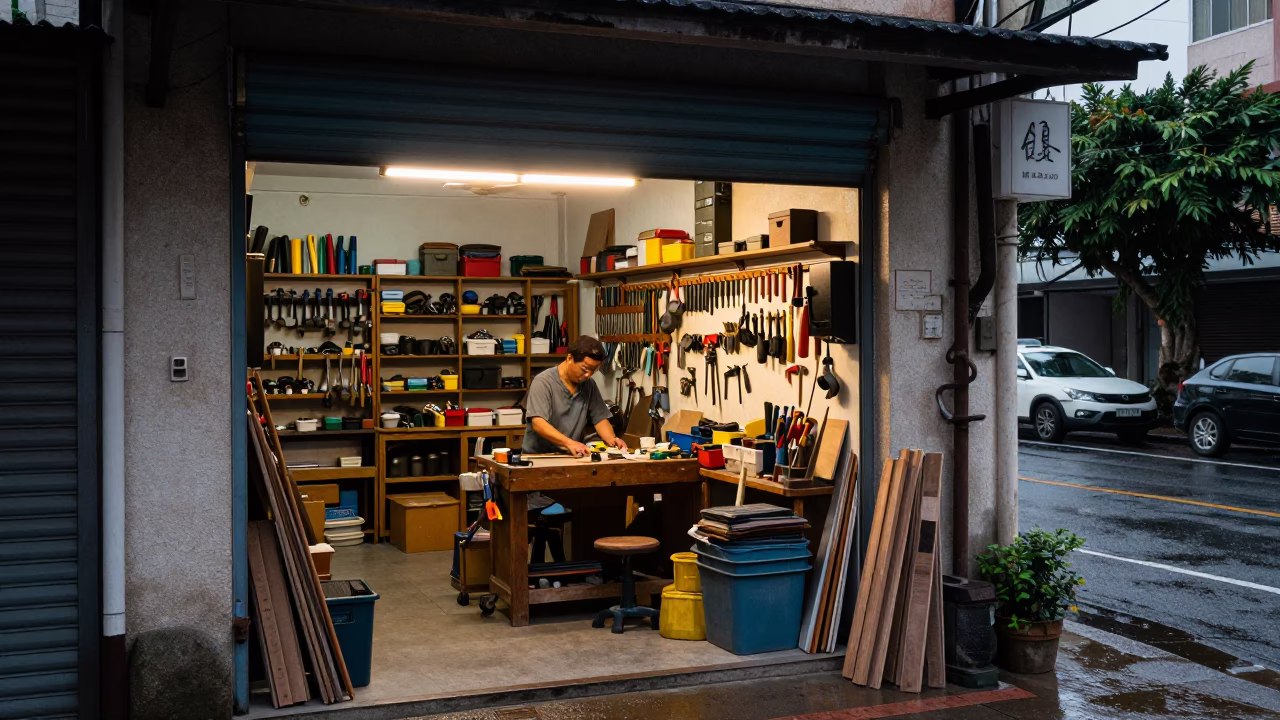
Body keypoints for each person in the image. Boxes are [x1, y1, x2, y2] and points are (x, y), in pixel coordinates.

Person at [523, 335, 627, 457]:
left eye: (593, 370)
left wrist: (612, 439)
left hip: (569, 455)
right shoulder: (543, 382)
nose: (588, 375)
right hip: (538, 457)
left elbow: (599, 418)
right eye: (585, 369)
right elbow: (538, 424)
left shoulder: (589, 385)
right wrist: (570, 443)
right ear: (570, 358)